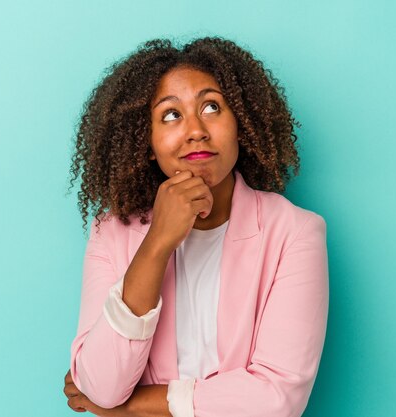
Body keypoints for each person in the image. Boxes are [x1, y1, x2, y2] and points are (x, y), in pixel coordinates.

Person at [63, 37, 329, 417]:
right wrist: (156, 244)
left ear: (241, 125)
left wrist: (129, 408)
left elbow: (275, 399)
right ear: (148, 143)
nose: (196, 130)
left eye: (211, 107)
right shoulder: (112, 233)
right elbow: (101, 384)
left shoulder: (295, 233)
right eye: (170, 115)